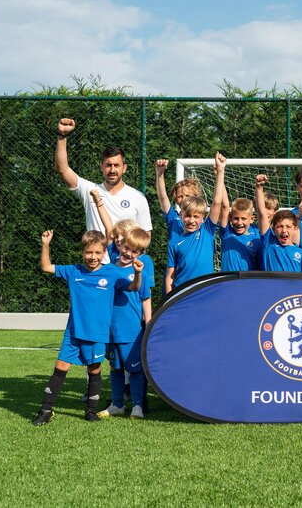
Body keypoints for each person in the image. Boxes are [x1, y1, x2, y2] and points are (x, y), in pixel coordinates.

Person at [33, 230, 142, 426]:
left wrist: (138, 274)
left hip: (97, 334)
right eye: (89, 252)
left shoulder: (111, 272)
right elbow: (46, 266)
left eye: (98, 253)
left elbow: (134, 287)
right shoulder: (74, 271)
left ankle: (91, 411)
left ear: (104, 253)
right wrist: (46, 244)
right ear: (83, 252)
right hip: (73, 333)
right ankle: (46, 410)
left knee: (94, 370)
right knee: (60, 367)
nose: (93, 257)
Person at [90, 190, 154, 420]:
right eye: (125, 247)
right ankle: (117, 404)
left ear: (141, 253)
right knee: (115, 368)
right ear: (121, 244)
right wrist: (98, 203)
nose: (128, 253)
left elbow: (143, 294)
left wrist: (148, 322)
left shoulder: (140, 270)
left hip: (131, 330)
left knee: (135, 369)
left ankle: (137, 405)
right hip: (110, 329)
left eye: (134, 251)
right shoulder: (108, 268)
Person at [53, 119, 152, 251]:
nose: (112, 170)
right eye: (108, 165)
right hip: (96, 261)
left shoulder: (138, 197)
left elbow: (146, 236)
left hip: (125, 262)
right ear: (101, 167)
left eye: (116, 165)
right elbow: (62, 169)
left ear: (124, 168)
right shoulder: (90, 190)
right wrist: (62, 136)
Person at [165, 152, 226, 294]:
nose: (191, 220)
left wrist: (220, 171)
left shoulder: (207, 231)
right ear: (181, 215)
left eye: (196, 217)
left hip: (206, 290)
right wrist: (169, 300)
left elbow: (217, 202)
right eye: (188, 216)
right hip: (182, 293)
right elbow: (170, 276)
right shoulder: (174, 242)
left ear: (203, 218)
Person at [255, 174, 302, 273]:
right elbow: (262, 214)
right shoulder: (269, 242)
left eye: (288, 227)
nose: (284, 230)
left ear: (295, 229)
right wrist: (259, 187)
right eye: (280, 226)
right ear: (273, 228)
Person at [155, 158, 203, 241]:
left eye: (188, 195)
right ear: (176, 200)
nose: (184, 199)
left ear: (196, 197)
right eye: (180, 196)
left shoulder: (203, 220)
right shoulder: (173, 218)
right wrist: (160, 173)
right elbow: (163, 197)